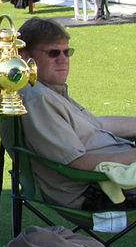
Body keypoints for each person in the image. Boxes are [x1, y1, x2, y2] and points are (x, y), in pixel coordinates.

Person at [15, 16, 136, 209]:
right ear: (24, 55)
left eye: (66, 52)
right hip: (96, 190)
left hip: (109, 177)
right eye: (53, 53)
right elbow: (76, 163)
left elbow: (97, 125)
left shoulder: (48, 89)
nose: (63, 59)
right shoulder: (38, 98)